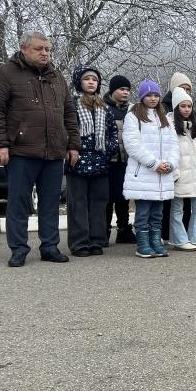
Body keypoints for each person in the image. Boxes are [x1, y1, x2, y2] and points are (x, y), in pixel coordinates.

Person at [0, 31, 81, 267]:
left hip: (54, 152)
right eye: (40, 49)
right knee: (18, 203)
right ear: (24, 49)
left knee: (50, 203)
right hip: (20, 152)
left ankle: (49, 246)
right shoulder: (5, 72)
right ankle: (18, 249)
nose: (45, 53)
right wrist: (0, 144)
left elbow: (69, 113)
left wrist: (73, 145)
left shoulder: (57, 76)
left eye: (48, 49)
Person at [65, 65, 118, 257]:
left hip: (101, 162)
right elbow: (67, 129)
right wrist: (71, 148)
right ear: (79, 82)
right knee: (77, 203)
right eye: (87, 79)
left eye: (94, 79)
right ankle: (79, 243)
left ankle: (97, 240)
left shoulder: (105, 108)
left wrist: (110, 149)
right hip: (77, 161)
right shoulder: (71, 104)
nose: (91, 82)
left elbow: (112, 131)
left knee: (99, 202)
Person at [122, 79, 179, 258]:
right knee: (143, 212)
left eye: (156, 95)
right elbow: (132, 145)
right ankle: (143, 244)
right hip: (144, 174)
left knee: (157, 213)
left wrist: (170, 163)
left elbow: (174, 145)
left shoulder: (165, 118)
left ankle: (156, 241)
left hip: (163, 175)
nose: (153, 98)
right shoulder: (133, 116)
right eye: (149, 95)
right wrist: (154, 164)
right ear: (141, 97)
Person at [168, 87, 196, 251]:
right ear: (176, 108)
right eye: (182, 106)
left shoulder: (194, 127)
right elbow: (168, 152)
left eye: (189, 106)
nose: (186, 109)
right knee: (177, 208)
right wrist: (175, 173)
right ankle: (179, 239)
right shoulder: (169, 126)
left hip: (195, 174)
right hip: (179, 175)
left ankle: (194, 237)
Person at [161, 71, 193, 241]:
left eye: (188, 89)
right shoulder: (162, 109)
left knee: (185, 200)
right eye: (182, 88)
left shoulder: (188, 108)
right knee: (169, 201)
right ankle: (166, 233)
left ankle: (184, 233)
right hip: (171, 162)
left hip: (188, 162)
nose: (186, 91)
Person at [104, 74, 136, 244]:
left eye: (128, 90)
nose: (125, 93)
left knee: (124, 196)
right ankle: (104, 230)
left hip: (127, 160)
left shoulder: (132, 110)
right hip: (110, 160)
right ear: (112, 90)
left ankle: (124, 229)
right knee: (108, 197)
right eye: (122, 89)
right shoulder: (103, 107)